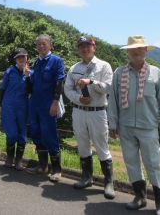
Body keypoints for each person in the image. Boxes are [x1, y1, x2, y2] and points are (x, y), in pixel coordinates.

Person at [108, 35, 160, 215]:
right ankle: (140, 197)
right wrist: (112, 122)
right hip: (125, 126)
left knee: (153, 164)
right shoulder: (119, 73)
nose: (136, 51)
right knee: (131, 163)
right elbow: (113, 99)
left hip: (149, 126)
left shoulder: (155, 73)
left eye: (140, 48)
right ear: (128, 51)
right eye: (133, 48)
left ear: (145, 51)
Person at [64, 35, 114, 199]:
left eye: (88, 45)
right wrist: (78, 98)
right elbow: (68, 89)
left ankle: (108, 182)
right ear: (78, 49)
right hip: (78, 111)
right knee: (82, 145)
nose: (85, 49)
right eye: (81, 46)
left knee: (102, 146)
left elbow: (109, 88)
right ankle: (86, 177)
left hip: (97, 112)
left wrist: (91, 82)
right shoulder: (74, 68)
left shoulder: (104, 66)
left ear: (94, 47)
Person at [26, 34, 66, 182]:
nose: (41, 46)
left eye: (44, 44)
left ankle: (56, 169)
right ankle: (43, 166)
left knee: (49, 133)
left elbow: (59, 82)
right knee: (35, 132)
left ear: (50, 45)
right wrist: (28, 76)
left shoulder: (56, 61)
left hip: (48, 102)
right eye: (39, 44)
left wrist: (55, 102)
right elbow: (34, 83)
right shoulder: (37, 62)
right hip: (35, 102)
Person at [0, 48, 32, 170]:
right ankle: (9, 157)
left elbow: (31, 90)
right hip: (8, 104)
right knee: (12, 133)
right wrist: (1, 105)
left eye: (23, 57)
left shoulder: (30, 72)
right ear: (15, 59)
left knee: (22, 134)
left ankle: (18, 160)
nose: (21, 59)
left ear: (27, 58)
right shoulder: (9, 72)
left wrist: (27, 76)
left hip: (23, 106)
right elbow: (3, 89)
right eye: (19, 57)